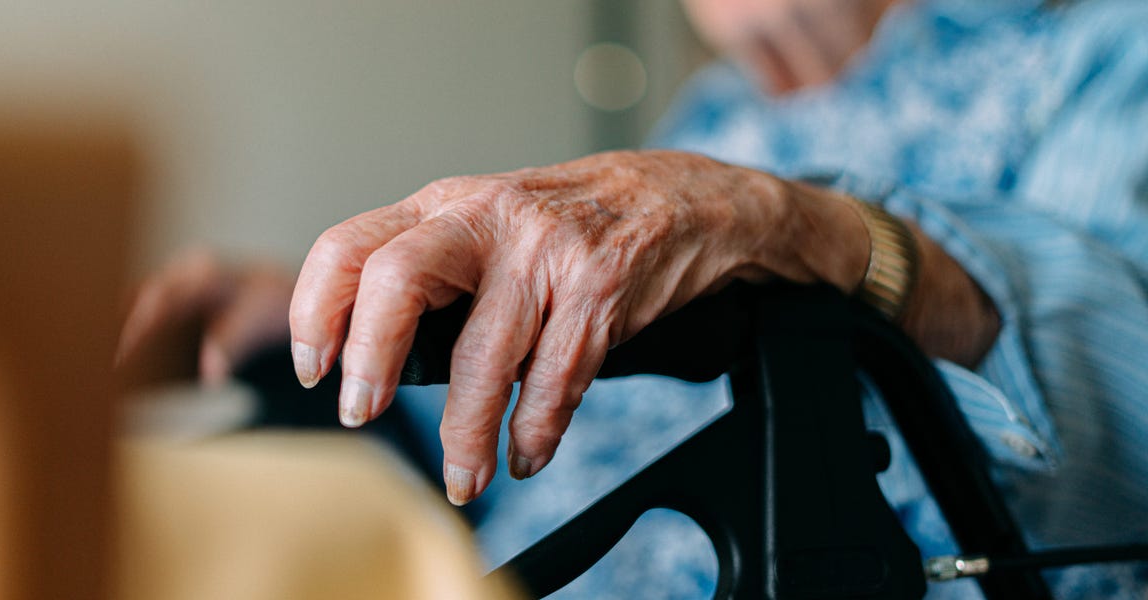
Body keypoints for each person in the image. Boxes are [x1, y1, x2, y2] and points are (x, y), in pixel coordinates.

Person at [120, 0, 1148, 597]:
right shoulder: (715, 115)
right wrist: (332, 328)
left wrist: (804, 229)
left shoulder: (1095, 51)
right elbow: (565, 420)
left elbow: (1134, 415)